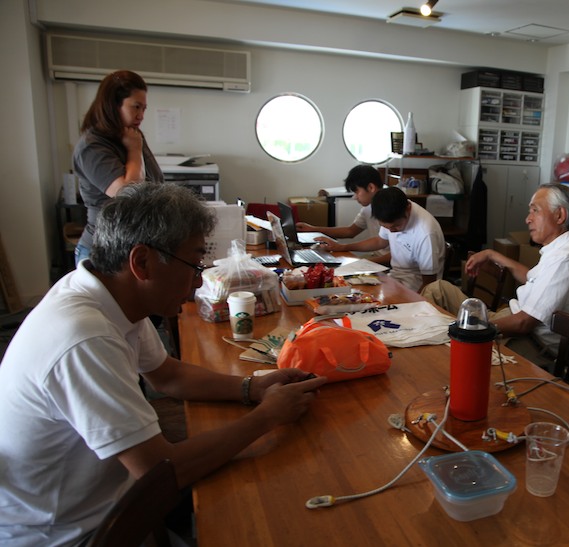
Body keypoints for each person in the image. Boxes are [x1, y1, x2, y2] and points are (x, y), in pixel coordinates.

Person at [0, 183, 326, 546]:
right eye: (194, 264)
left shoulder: (108, 293)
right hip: (71, 533)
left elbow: (167, 375)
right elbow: (159, 471)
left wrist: (252, 387)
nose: (199, 280)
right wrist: (267, 417)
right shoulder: (85, 338)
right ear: (142, 262)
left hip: (107, 497)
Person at [421, 183, 569, 362]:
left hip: (527, 342)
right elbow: (530, 277)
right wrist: (492, 254)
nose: (528, 219)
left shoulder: (566, 258)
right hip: (510, 321)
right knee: (438, 289)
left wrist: (471, 328)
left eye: (535, 210)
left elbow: (524, 323)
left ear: (559, 215)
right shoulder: (561, 250)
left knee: (451, 347)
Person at [72, 70, 164, 266]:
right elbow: (128, 194)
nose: (141, 115)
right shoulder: (92, 146)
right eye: (136, 107)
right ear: (113, 105)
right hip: (102, 250)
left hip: (132, 244)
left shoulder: (132, 135)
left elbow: (154, 183)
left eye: (144, 109)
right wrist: (134, 150)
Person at [317, 186, 445, 292]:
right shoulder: (391, 211)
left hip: (415, 285)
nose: (392, 231)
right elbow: (380, 241)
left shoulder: (426, 233)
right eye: (386, 227)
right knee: (348, 287)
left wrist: (413, 304)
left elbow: (429, 284)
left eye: (396, 226)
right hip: (395, 276)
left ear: (408, 209)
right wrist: (343, 247)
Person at [296, 164, 390, 264]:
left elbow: (397, 256)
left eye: (356, 192)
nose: (355, 197)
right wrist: (313, 229)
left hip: (388, 262)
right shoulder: (367, 209)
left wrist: (364, 263)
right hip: (376, 256)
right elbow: (350, 231)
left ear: (371, 187)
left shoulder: (392, 209)